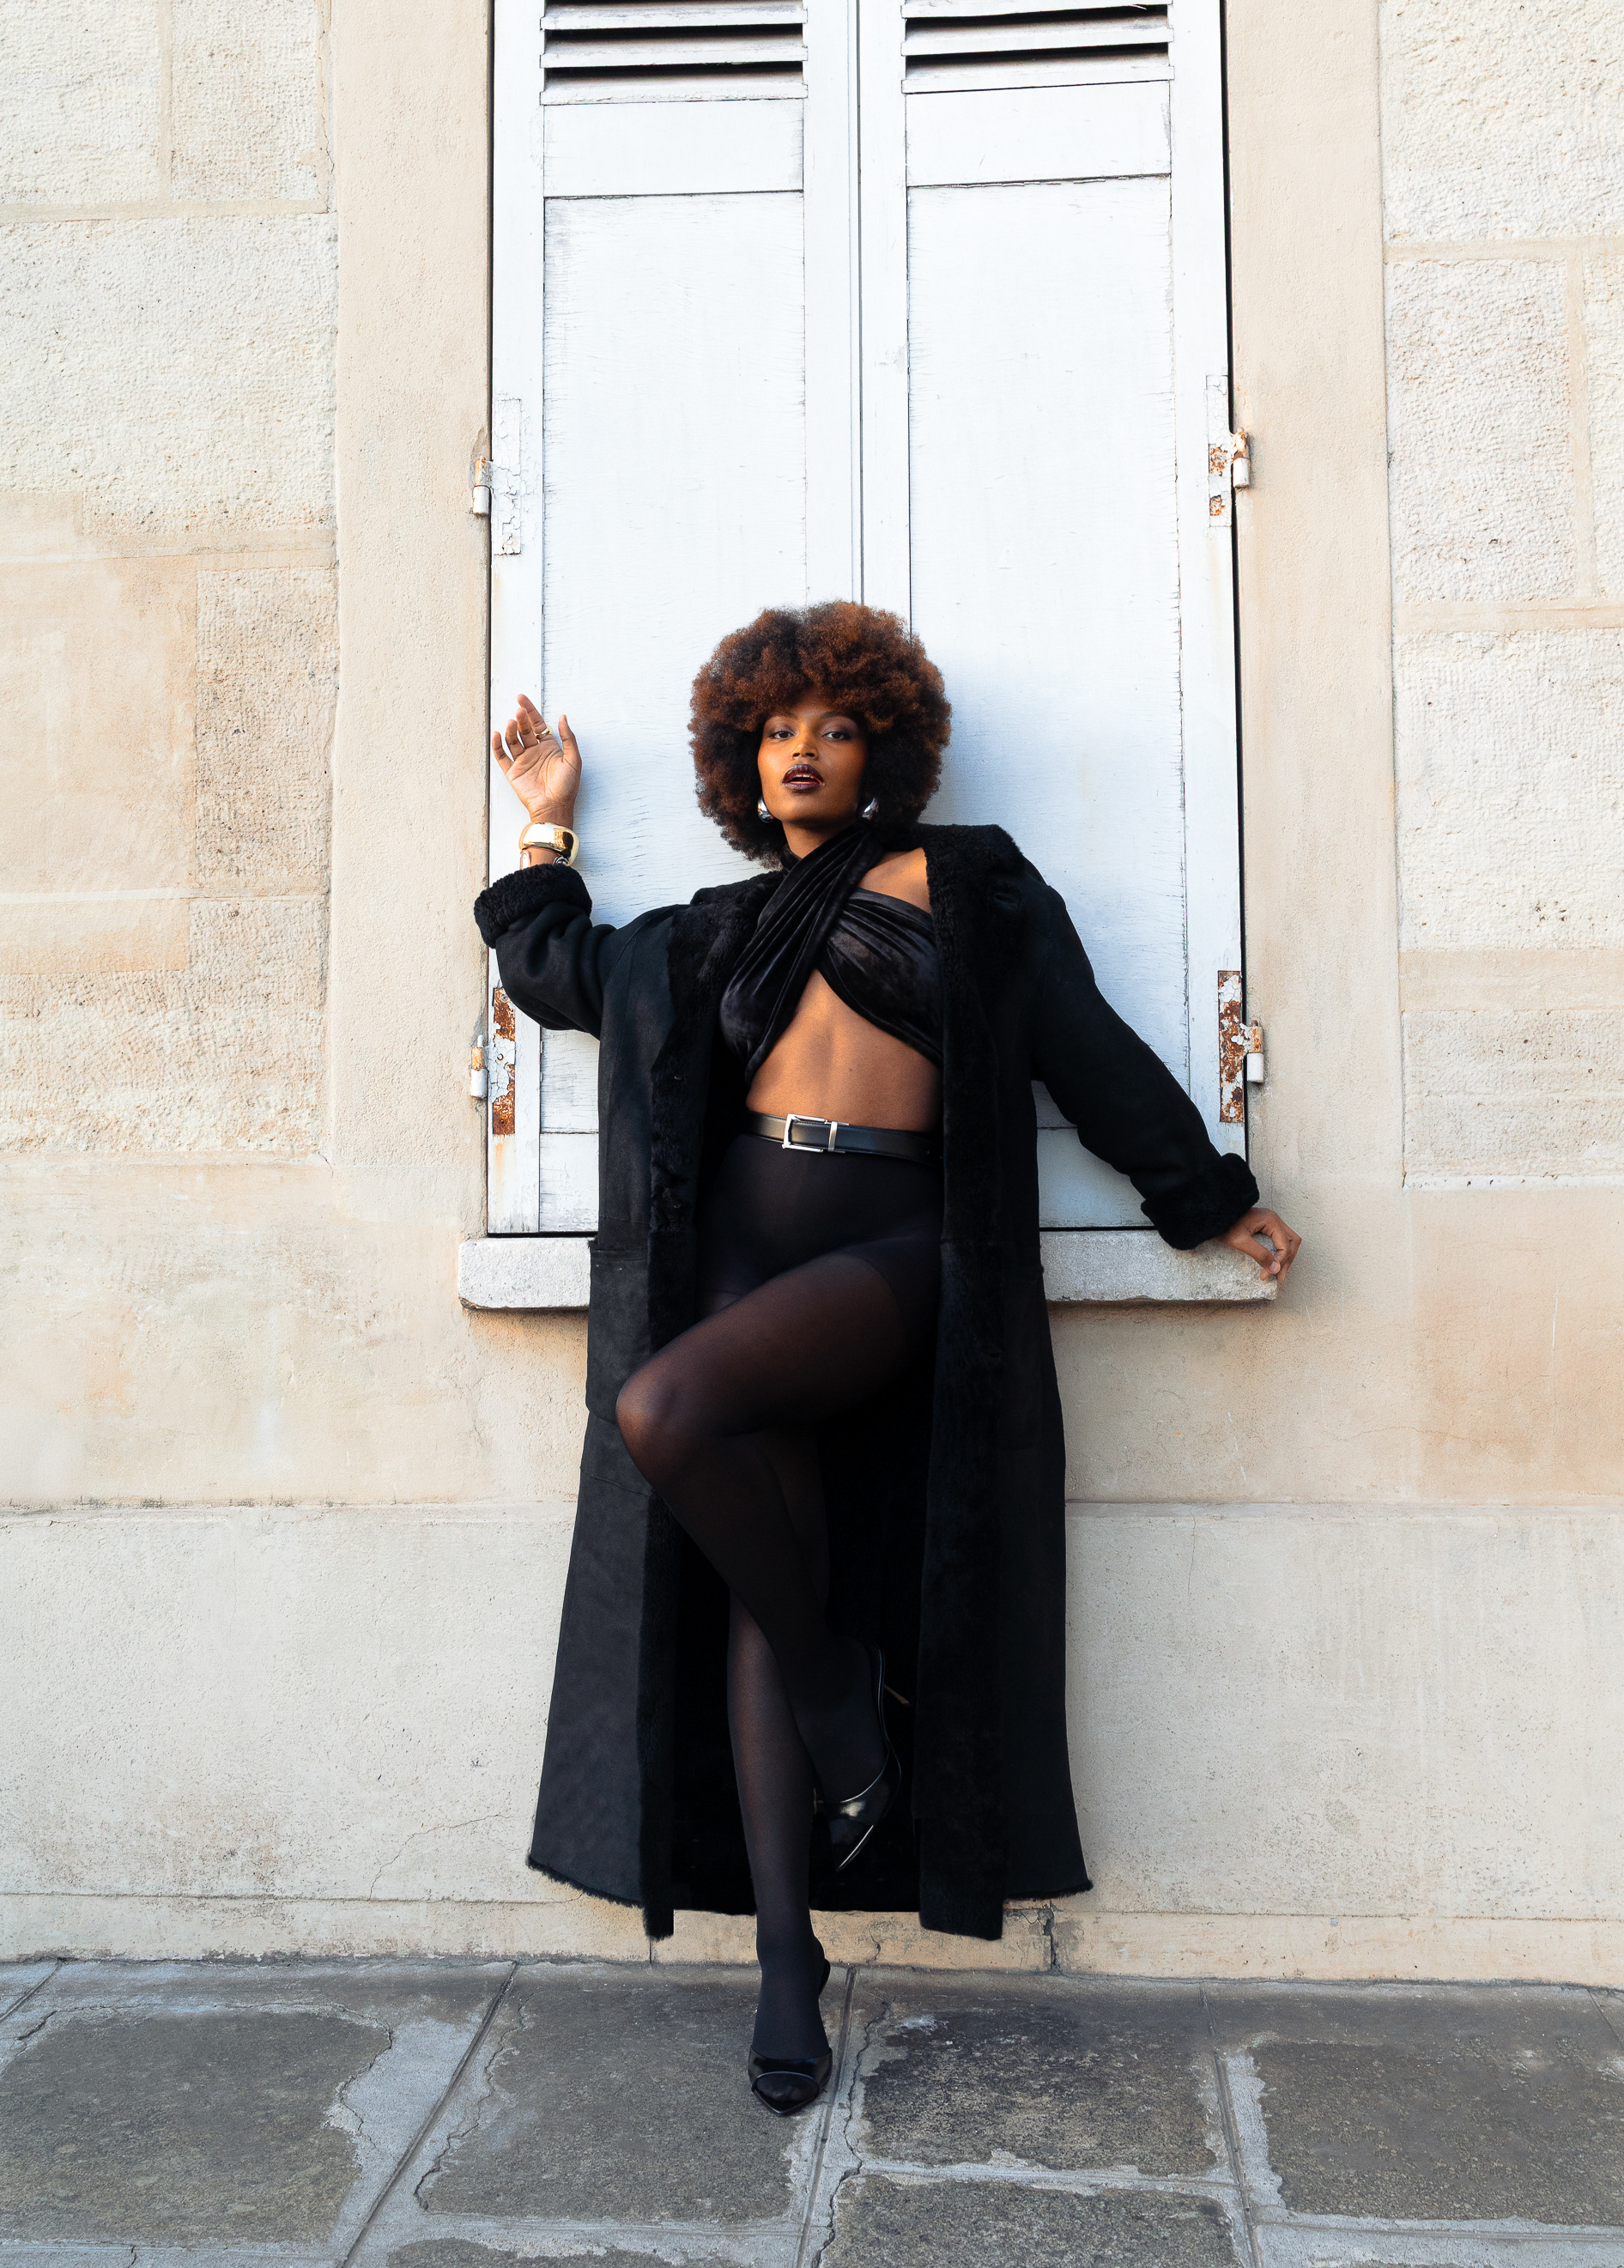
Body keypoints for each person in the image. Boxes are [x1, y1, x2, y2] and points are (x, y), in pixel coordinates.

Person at [476, 602, 1300, 2117]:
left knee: (664, 1406)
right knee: (756, 1587)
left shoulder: (971, 884)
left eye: (836, 727)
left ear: (887, 751)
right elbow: (562, 972)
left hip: (894, 1247)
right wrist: (545, 824)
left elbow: (1084, 1044)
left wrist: (1205, 1194)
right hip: (738, 1249)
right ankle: (786, 1960)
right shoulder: (719, 928)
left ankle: (842, 1683)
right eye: (775, 732)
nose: (802, 751)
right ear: (741, 763)